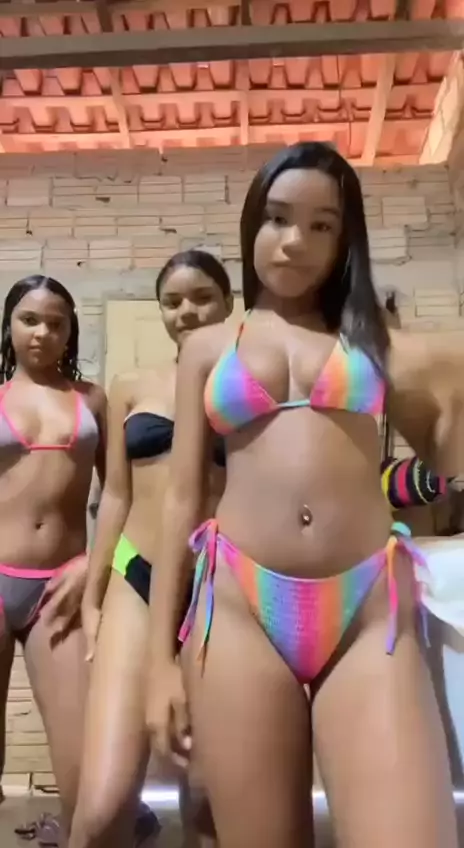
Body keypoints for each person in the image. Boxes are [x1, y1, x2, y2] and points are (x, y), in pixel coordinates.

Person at [147, 142, 464, 848]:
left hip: (368, 606)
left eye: (322, 225)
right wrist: (158, 663)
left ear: (345, 240)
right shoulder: (207, 347)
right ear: (252, 223)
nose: (296, 241)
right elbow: (181, 500)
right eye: (279, 218)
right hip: (239, 606)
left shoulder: (376, 341)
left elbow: (444, 435)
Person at [69, 249, 233, 848]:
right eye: (172, 301)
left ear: (228, 303)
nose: (187, 311)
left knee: (208, 803)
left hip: (220, 585)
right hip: (136, 575)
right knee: (103, 804)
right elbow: (114, 494)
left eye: (202, 298)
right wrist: (92, 598)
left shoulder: (246, 386)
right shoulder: (131, 386)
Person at [0, 275, 106, 840]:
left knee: (83, 764)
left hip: (61, 588)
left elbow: (122, 494)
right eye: (29, 320)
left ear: (70, 332)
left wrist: (94, 563)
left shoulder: (92, 400)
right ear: (9, 326)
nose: (42, 332)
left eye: (56, 323)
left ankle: (81, 830)